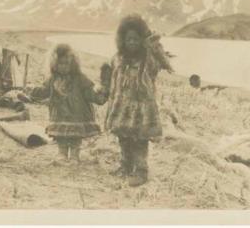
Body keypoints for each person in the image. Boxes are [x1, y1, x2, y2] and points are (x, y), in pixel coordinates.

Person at [104, 14, 173, 187]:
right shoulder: (118, 58)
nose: (132, 42)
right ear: (122, 40)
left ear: (142, 40)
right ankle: (126, 166)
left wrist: (153, 42)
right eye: (128, 39)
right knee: (123, 138)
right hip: (122, 107)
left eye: (136, 39)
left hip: (142, 109)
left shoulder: (147, 60)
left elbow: (160, 60)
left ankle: (141, 171)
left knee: (139, 141)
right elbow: (109, 75)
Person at [29, 44, 108, 162]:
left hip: (77, 114)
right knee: (61, 135)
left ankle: (75, 154)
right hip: (60, 113)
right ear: (54, 64)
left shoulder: (80, 78)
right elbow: (44, 91)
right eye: (61, 63)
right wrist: (33, 90)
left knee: (76, 136)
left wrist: (100, 95)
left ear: (73, 63)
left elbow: (89, 92)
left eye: (67, 63)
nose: (64, 67)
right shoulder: (52, 79)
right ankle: (62, 153)